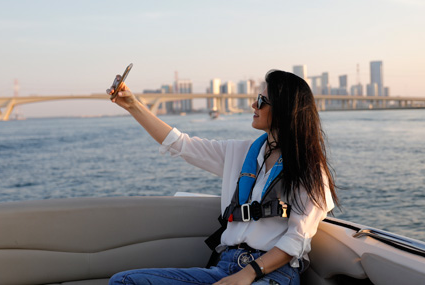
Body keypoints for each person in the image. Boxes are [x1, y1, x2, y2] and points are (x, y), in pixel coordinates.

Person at [108, 69, 338, 285]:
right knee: (123, 281)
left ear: (284, 109)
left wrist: (248, 275)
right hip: (225, 267)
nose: (253, 105)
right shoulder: (237, 153)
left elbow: (297, 240)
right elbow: (181, 144)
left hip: (273, 274)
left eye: (261, 101)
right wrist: (132, 105)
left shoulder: (309, 170)